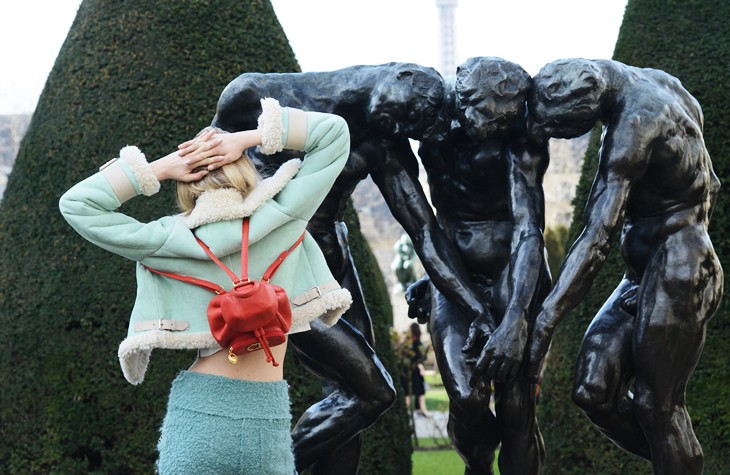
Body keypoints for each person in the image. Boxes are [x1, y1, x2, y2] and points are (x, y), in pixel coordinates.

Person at [211, 62, 489, 474]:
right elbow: (199, 185)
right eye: (410, 121)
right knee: (371, 392)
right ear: (392, 86)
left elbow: (424, 231)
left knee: (348, 397)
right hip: (273, 269)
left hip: (329, 261)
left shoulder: (383, 138)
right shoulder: (251, 95)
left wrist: (474, 307)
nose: (403, 132)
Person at [59, 98, 353, 474]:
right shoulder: (284, 212)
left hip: (199, 412)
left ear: (186, 186)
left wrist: (162, 167)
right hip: (267, 416)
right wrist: (247, 138)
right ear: (245, 170)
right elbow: (334, 133)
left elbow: (77, 204)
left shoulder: (166, 239)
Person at [526, 58, 723, 475]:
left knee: (658, 407)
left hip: (680, 265)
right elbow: (709, 183)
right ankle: (681, 463)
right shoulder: (665, 84)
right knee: (593, 391)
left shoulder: (633, 125)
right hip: (646, 270)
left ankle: (679, 461)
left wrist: (543, 322)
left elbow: (598, 237)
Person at [408, 56, 551, 474]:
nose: (495, 129)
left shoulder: (520, 137)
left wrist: (517, 316)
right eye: (490, 119)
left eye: (503, 121)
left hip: (514, 271)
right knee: (466, 395)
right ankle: (477, 466)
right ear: (464, 100)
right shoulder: (428, 128)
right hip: (457, 274)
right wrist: (435, 272)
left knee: (517, 408)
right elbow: (428, 224)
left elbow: (528, 229)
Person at [397, 322, 430, 417]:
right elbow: (423, 357)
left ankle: (405, 413)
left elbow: (402, 357)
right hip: (415, 371)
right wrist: (421, 365)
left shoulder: (406, 344)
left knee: (407, 393)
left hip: (406, 371)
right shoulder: (418, 344)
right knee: (419, 391)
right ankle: (422, 409)